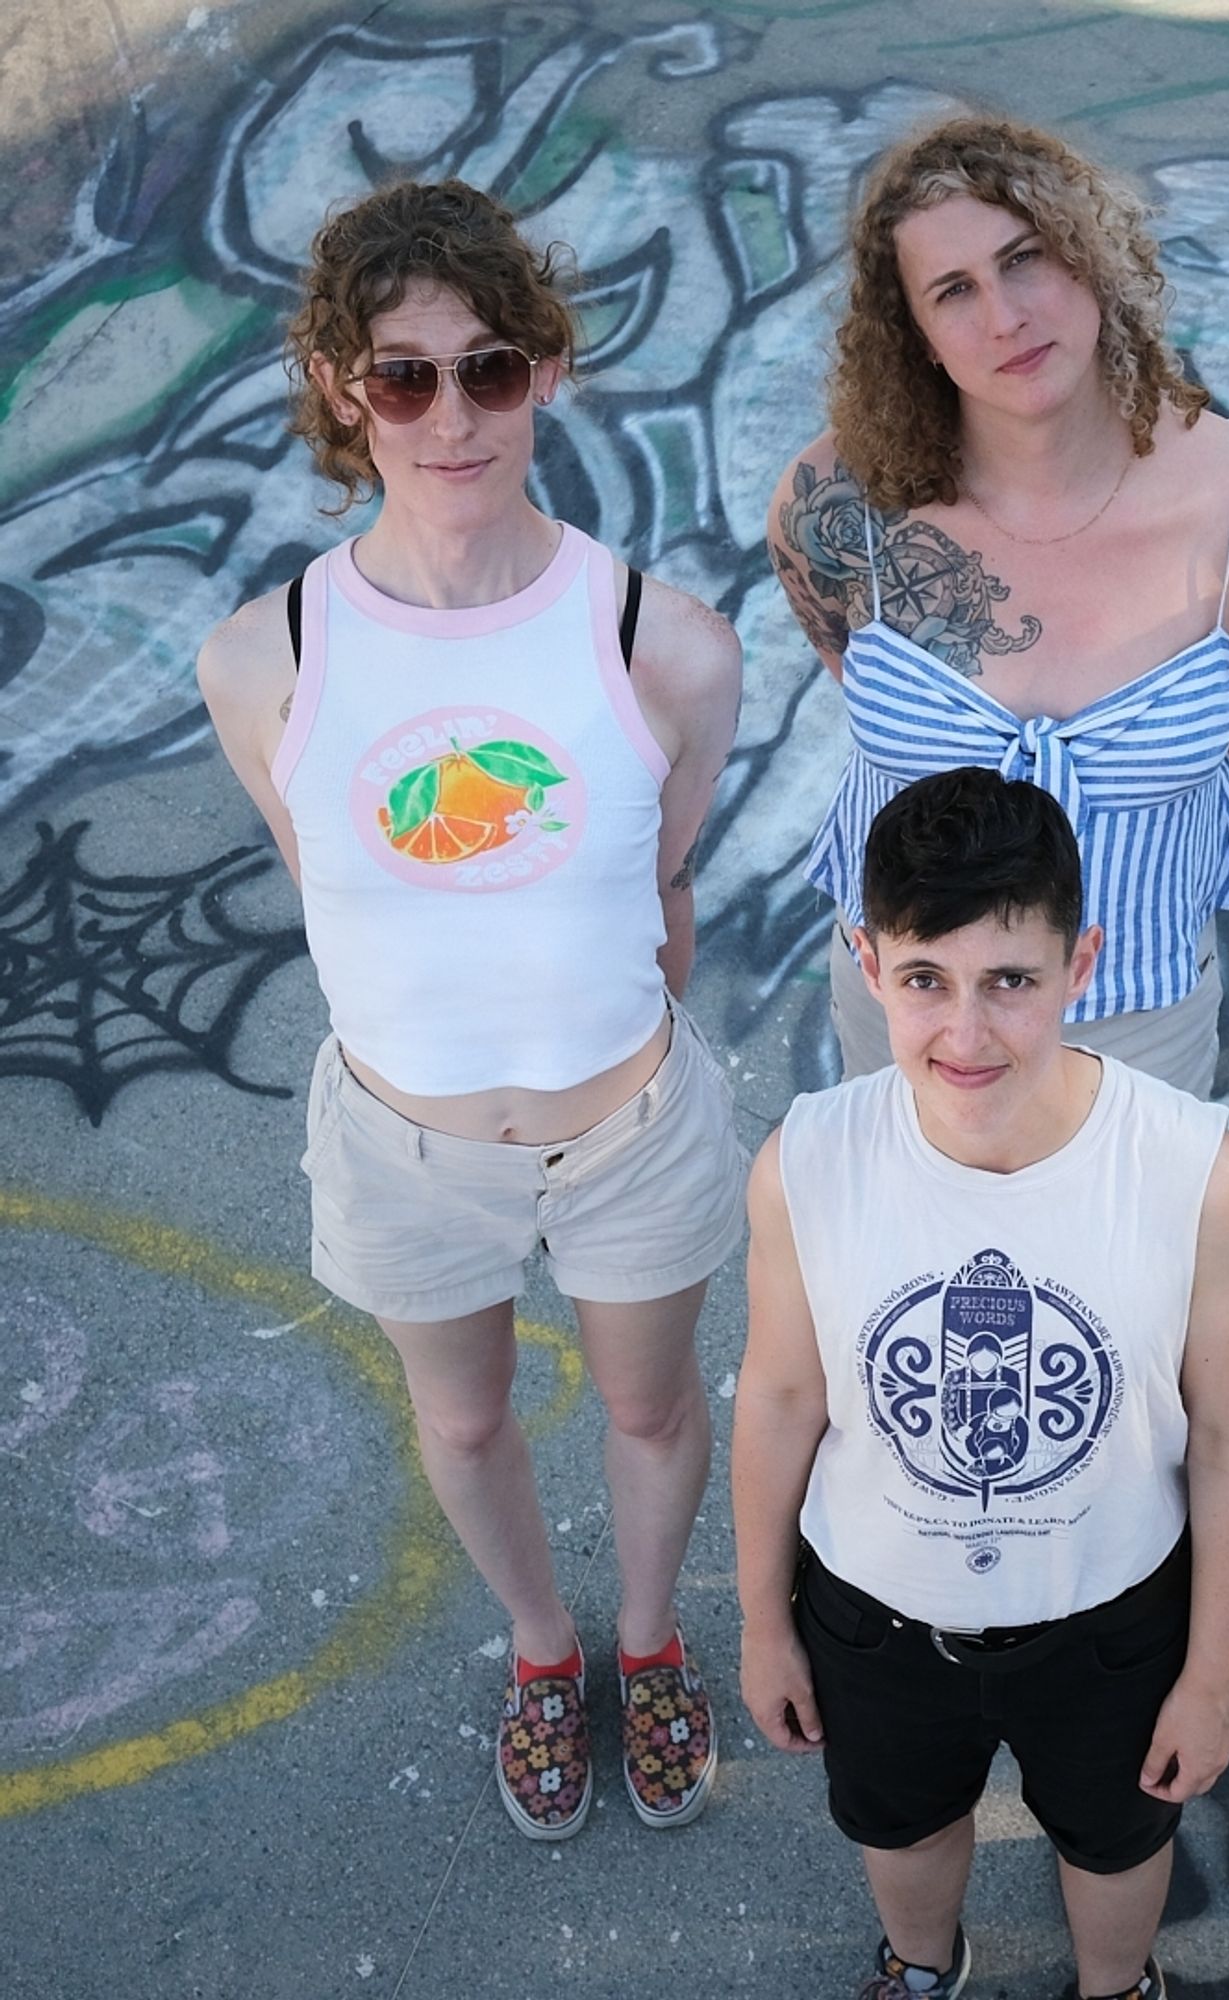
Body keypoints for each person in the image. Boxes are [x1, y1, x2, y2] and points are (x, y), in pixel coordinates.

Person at [196, 179, 747, 1840]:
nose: (451, 415)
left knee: (651, 1408)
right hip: (404, 1149)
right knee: (465, 1414)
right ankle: (539, 1646)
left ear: (550, 374)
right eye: (403, 373)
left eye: (490, 368)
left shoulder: (671, 646)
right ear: (340, 385)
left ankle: (647, 1640)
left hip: (628, 1133)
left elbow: (662, 880)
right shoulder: (263, 659)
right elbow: (340, 887)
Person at [733, 768, 1229, 2000]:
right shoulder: (805, 1162)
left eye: (1010, 982)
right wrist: (764, 1619)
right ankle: (922, 1967)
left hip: (1110, 1615)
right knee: (904, 1828)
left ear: (1081, 962)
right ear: (866, 961)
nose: (964, 1034)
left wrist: (1211, 1671)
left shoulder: (1193, 1172)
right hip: (872, 1609)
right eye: (925, 979)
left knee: (1117, 1837)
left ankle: (1111, 1984)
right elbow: (778, 1398)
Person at [766, 115, 1229, 1097]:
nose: (1005, 315)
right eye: (952, 291)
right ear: (918, 338)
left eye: (1024, 259)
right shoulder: (836, 507)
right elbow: (837, 654)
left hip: (1140, 1013)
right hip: (903, 1003)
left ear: (1089, 259)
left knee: (1129, 1253)